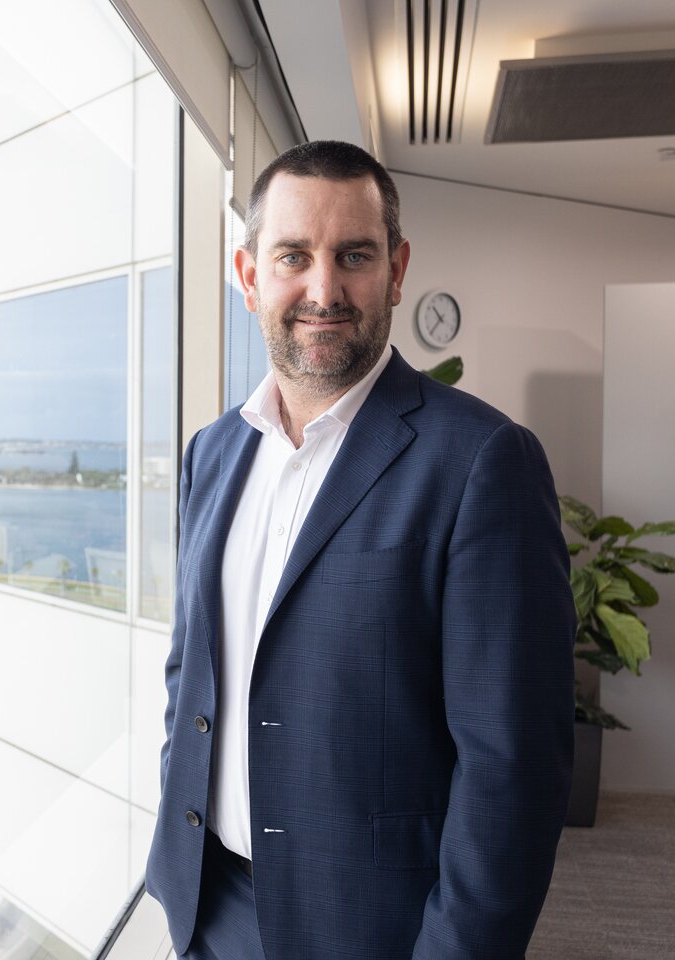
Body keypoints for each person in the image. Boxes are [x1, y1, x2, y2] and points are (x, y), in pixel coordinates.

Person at [144, 140, 575, 960]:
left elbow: (512, 766)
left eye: (354, 256)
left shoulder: (481, 460)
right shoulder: (213, 453)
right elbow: (189, 670)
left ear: (396, 270)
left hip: (373, 931)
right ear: (249, 277)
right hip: (207, 907)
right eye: (293, 257)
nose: (324, 290)